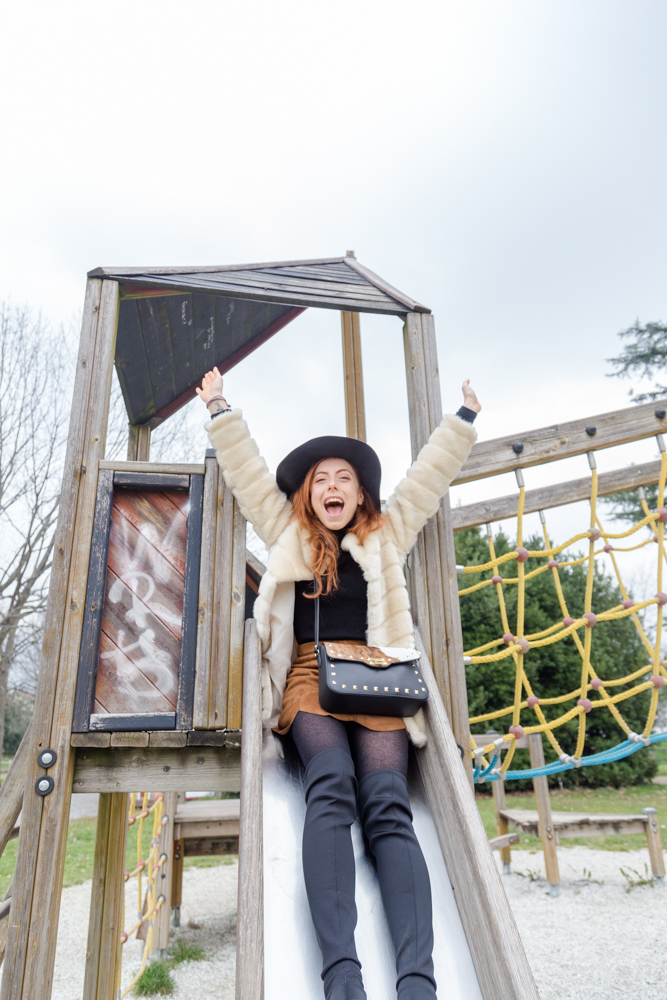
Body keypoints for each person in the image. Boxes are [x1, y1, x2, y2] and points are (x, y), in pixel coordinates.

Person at [197, 368, 480, 1000]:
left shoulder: (385, 536)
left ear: (360, 495)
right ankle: (341, 975)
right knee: (332, 786)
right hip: (308, 679)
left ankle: (416, 980)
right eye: (321, 479)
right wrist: (220, 407)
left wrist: (461, 422)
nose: (332, 485)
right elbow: (246, 473)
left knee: (388, 806)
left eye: (343, 478)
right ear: (308, 494)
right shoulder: (290, 535)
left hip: (377, 679)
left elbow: (427, 481)